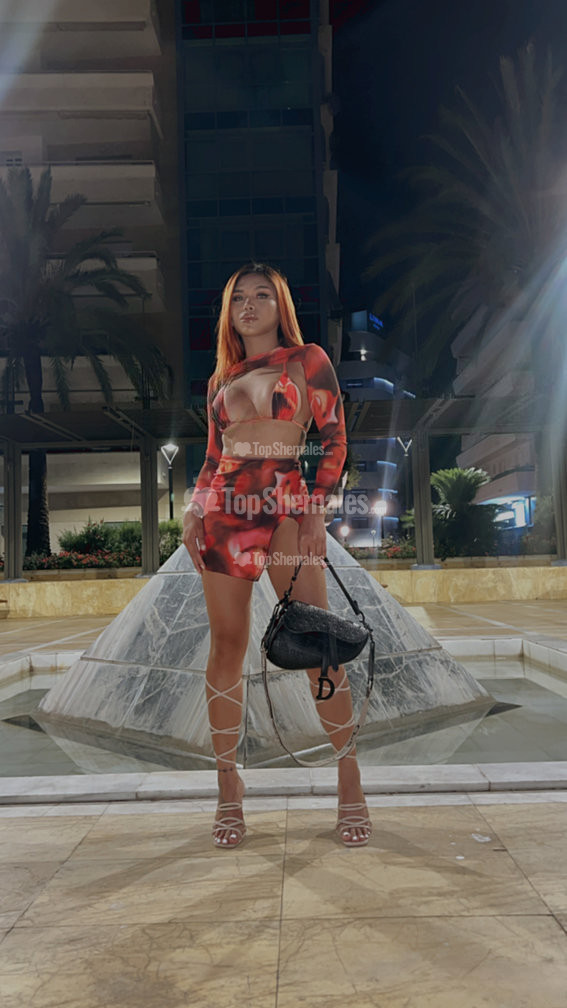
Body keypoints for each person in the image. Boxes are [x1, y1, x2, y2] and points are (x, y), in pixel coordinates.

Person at [183, 263, 371, 849]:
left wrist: (316, 510)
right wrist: (193, 510)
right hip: (225, 515)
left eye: (262, 295)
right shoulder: (220, 381)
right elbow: (212, 460)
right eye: (239, 297)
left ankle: (349, 778)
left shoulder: (308, 360)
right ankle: (228, 786)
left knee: (317, 641)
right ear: (228, 311)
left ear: (280, 305)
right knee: (227, 646)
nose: (249, 305)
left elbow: (335, 439)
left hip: (286, 508)